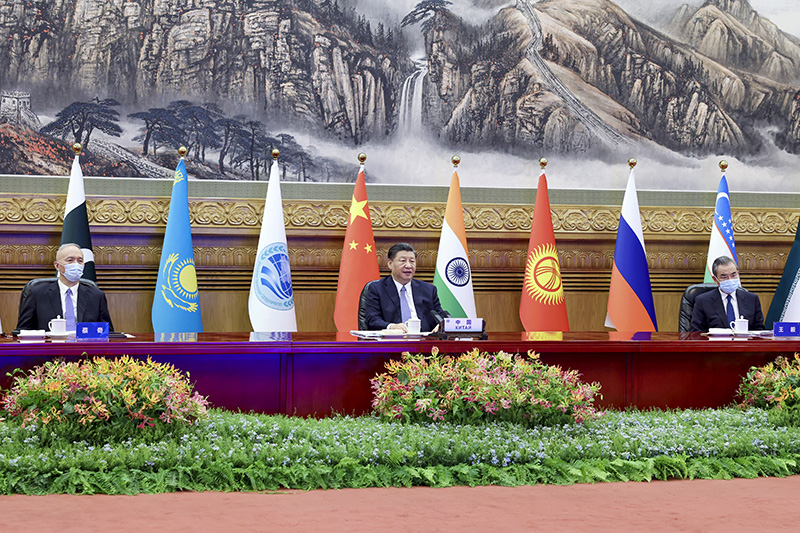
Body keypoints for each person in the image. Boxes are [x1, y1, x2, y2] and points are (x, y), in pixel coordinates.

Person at [16, 243, 114, 332]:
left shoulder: (96, 296)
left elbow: (107, 333)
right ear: (57, 266)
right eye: (70, 260)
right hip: (49, 345)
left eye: (80, 261)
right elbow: (23, 331)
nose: (76, 264)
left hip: (85, 345)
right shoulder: (37, 294)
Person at [362, 243, 446, 332]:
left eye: (412, 261)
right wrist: (391, 326)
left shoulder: (428, 290)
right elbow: (373, 320)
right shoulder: (377, 289)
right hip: (393, 339)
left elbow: (440, 316)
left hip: (424, 338)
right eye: (403, 261)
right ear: (390, 264)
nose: (409, 266)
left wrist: (440, 325)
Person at [690, 256, 763, 332]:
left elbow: (759, 331)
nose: (730, 279)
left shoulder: (752, 299)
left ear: (738, 274)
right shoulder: (703, 301)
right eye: (724, 277)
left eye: (733, 275)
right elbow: (696, 332)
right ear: (715, 279)